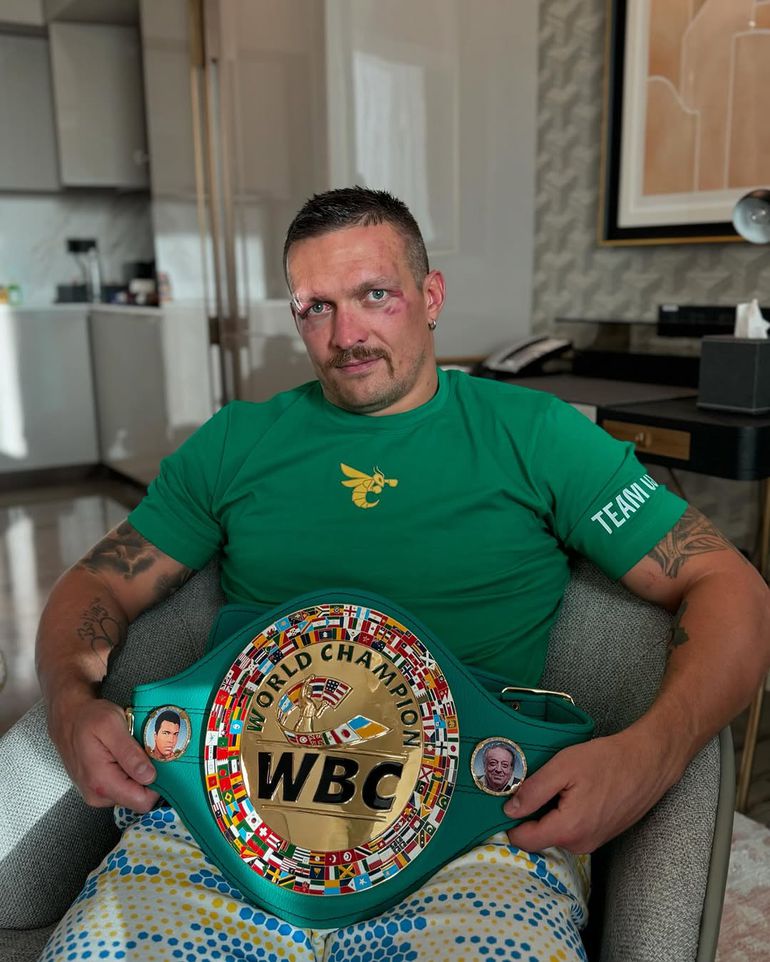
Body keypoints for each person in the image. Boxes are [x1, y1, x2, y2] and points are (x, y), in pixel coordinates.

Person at [36, 187, 770, 962]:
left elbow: (730, 586)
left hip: (473, 834)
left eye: (375, 296)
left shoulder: (536, 435)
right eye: (316, 308)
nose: (346, 335)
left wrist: (653, 752)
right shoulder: (236, 443)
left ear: (431, 296)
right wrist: (68, 704)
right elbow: (98, 583)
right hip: (222, 821)